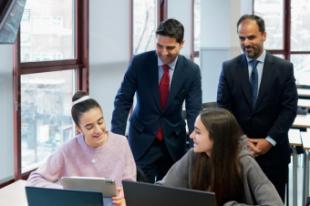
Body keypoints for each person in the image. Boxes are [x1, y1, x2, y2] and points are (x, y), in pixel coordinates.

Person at [217, 14, 298, 201]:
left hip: (273, 155)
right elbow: (223, 109)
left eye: (251, 37)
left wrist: (269, 141)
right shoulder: (229, 68)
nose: (246, 42)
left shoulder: (283, 68)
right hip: (238, 154)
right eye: (241, 38)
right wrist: (241, 140)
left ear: (263, 35)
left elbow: (289, 109)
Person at [111, 18, 202, 182]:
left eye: (170, 47)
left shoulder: (192, 71)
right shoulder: (139, 63)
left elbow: (193, 109)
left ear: (182, 44)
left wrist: (196, 140)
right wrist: (116, 139)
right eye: (159, 46)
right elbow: (123, 100)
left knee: (169, 194)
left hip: (173, 142)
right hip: (142, 139)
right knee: (140, 193)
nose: (164, 52)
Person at [27, 91, 136, 206]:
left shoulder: (121, 143)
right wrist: (65, 192)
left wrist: (123, 195)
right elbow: (34, 179)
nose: (98, 130)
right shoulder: (67, 149)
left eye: (100, 122)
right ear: (79, 128)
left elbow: (131, 187)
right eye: (89, 127)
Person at [159, 108, 283, 206]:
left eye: (197, 132)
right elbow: (164, 189)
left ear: (216, 138)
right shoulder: (193, 156)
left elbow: (274, 203)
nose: (191, 136)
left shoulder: (245, 162)